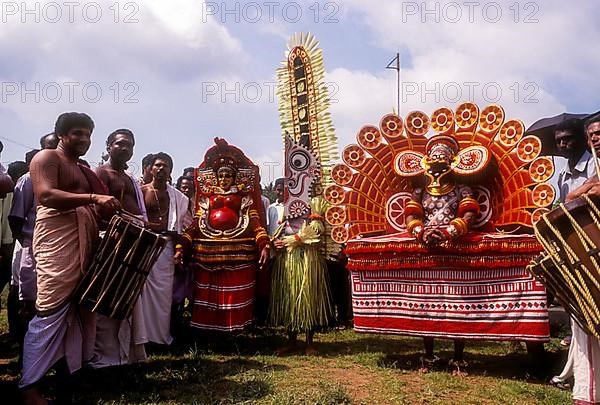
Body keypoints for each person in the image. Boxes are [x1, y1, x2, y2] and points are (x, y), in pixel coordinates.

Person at [20, 112, 120, 405]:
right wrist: (92, 200)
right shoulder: (46, 158)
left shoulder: (83, 170)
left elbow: (98, 205)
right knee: (49, 314)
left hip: (83, 241)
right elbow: (47, 195)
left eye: (88, 134)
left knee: (79, 313)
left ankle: (70, 376)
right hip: (58, 243)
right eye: (77, 133)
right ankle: (29, 388)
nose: (83, 139)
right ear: (62, 135)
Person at [175, 138, 270, 333]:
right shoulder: (207, 199)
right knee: (208, 293)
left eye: (228, 175)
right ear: (215, 178)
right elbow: (194, 224)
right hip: (207, 250)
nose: (225, 178)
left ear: (235, 178)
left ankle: (236, 329)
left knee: (237, 290)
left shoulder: (244, 198)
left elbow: (255, 222)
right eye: (221, 175)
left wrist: (263, 244)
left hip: (240, 248)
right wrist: (181, 247)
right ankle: (209, 330)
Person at [402, 135, 479, 375]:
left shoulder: (462, 188)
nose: (437, 163)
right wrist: (420, 232)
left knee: (458, 304)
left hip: (454, 249)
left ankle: (458, 358)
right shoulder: (419, 191)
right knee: (428, 303)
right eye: (433, 158)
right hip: (427, 249)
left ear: (452, 161)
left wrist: (450, 231)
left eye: (442, 158)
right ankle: (428, 355)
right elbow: (411, 216)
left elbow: (469, 213)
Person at [89, 129, 148, 367]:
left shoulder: (130, 177)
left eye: (130, 145)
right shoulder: (100, 173)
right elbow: (96, 209)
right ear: (108, 146)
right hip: (111, 242)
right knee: (107, 298)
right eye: (120, 144)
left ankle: (129, 355)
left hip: (133, 242)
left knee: (129, 298)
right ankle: (105, 357)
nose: (125, 149)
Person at [554, 115, 600, 403]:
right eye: (593, 134)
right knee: (586, 318)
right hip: (588, 248)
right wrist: (583, 191)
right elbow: (571, 196)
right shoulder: (565, 173)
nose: (596, 138)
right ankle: (586, 390)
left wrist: (584, 192)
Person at [140, 153, 191, 345]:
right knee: (141, 295)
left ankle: (160, 337)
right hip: (144, 245)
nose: (162, 169)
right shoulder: (141, 191)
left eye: (166, 166)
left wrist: (178, 249)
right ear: (151, 168)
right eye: (158, 165)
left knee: (163, 294)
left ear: (171, 170)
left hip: (166, 248)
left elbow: (178, 229)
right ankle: (142, 338)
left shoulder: (178, 197)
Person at [8, 151, 39, 366]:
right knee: (25, 301)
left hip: (56, 252)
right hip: (30, 248)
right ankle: (24, 354)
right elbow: (16, 218)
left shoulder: (63, 176)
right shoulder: (28, 179)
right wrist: (28, 244)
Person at [556, 119, 594, 203]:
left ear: (584, 138)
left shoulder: (596, 165)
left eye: (567, 139)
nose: (562, 145)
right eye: (558, 141)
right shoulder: (562, 175)